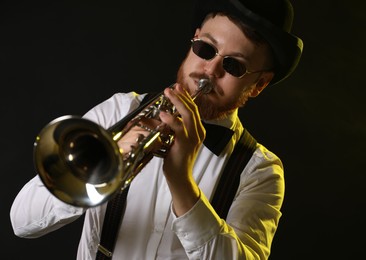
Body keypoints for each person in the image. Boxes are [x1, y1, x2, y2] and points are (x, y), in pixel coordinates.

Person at [10, 0, 303, 259]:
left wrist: (182, 183)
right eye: (205, 49)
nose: (210, 71)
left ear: (259, 84)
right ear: (194, 39)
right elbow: (22, 221)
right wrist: (107, 164)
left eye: (234, 66)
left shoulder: (261, 172)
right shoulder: (120, 110)